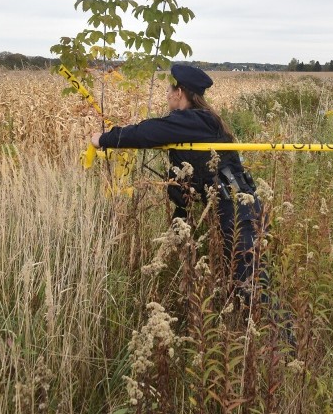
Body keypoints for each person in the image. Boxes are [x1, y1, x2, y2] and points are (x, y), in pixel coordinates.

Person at [91, 64, 265, 292]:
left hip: (238, 209)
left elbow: (146, 132)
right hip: (236, 205)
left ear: (179, 93)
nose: (166, 96)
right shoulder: (201, 120)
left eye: (168, 91)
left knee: (251, 289)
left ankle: (278, 328)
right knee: (240, 283)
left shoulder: (193, 121)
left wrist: (102, 139)